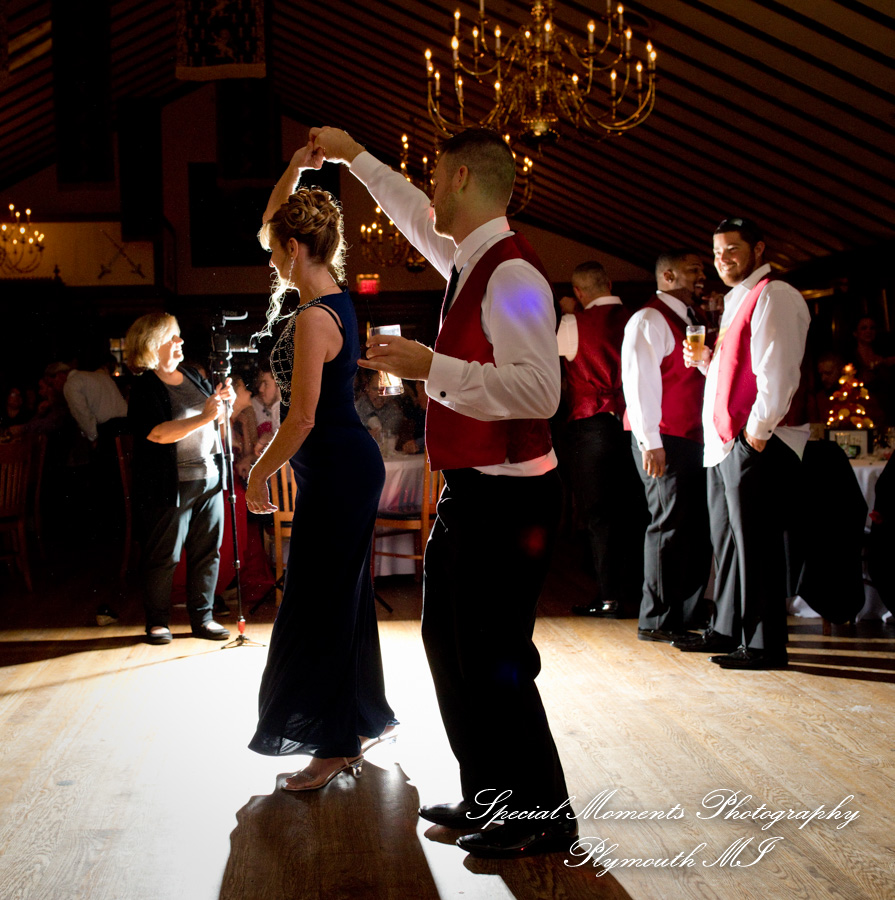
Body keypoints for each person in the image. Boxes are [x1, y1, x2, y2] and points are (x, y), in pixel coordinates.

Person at [311, 125, 574, 857]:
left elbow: (539, 392)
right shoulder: (470, 259)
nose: (425, 187)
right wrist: (352, 156)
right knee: (448, 646)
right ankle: (492, 796)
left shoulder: (513, 274)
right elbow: (402, 207)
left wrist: (435, 367)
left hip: (512, 496)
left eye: (433, 173)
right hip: (472, 492)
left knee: (495, 658)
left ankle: (540, 817)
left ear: (460, 177)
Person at [244, 142, 396, 791]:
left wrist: (256, 471)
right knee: (339, 599)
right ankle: (355, 722)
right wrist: (296, 170)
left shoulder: (313, 317)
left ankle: (332, 746)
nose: (270, 255)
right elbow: (268, 221)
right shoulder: (332, 295)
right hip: (338, 470)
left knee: (318, 603)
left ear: (296, 247)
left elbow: (300, 419)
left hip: (336, 470)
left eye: (277, 247)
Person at [684, 218, 810, 668]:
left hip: (759, 440)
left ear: (758, 248)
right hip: (727, 442)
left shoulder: (776, 294)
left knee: (757, 547)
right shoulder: (739, 298)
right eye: (717, 253)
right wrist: (705, 363)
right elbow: (736, 372)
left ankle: (764, 645)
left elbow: (779, 374)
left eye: (732, 250)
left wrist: (754, 438)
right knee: (730, 544)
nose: (723, 260)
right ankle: (727, 630)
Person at [621, 249, 713, 645]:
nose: (702, 277)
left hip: (694, 436)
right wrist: (649, 440)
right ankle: (656, 618)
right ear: (670, 275)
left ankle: (686, 612)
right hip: (663, 437)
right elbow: (639, 383)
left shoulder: (695, 318)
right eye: (695, 270)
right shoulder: (649, 318)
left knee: (695, 528)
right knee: (668, 526)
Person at [125, 312, 233, 645]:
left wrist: (222, 407)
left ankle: (203, 618)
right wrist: (204, 416)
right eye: (173, 337)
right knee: (165, 555)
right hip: (170, 484)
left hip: (210, 477)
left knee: (207, 551)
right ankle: (157, 622)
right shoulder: (145, 388)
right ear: (152, 345)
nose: (180, 341)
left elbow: (215, 424)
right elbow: (157, 434)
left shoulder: (191, 376)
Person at [557, 260, 641, 618]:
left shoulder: (573, 323)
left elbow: (551, 363)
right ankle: (639, 592)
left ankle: (609, 596)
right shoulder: (637, 318)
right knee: (635, 510)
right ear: (609, 282)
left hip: (591, 427)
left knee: (598, 516)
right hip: (634, 425)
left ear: (578, 291)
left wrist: (568, 313)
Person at [251, 362, 281, 457]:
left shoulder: (280, 406)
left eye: (266, 384)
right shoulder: (275, 407)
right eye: (260, 383)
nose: (260, 389)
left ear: (278, 385)